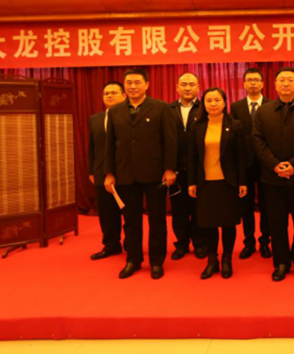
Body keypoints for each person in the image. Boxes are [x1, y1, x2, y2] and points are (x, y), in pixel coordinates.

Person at [104, 68, 177, 279]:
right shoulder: (115, 111)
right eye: (129, 83)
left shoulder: (161, 108)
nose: (133, 86)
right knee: (130, 220)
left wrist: (169, 168)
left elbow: (170, 141)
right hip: (125, 173)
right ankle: (133, 259)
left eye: (137, 82)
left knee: (157, 219)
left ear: (147, 84)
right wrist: (109, 173)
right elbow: (110, 145)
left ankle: (156, 261)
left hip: (155, 174)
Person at [253, 67, 294, 282]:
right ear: (274, 85)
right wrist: (274, 165)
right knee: (276, 223)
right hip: (272, 179)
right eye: (281, 80)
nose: (285, 83)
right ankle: (281, 262)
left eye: (290, 80)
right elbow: (258, 140)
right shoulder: (263, 111)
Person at [188, 88, 247, 279]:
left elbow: (241, 156)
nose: (213, 104)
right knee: (208, 224)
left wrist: (242, 182)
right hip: (205, 182)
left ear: (224, 102)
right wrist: (191, 182)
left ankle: (227, 259)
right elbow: (192, 156)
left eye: (217, 100)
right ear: (203, 104)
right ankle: (212, 260)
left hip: (228, 182)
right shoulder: (197, 125)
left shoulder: (235, 125)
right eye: (208, 101)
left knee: (228, 224)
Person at [230, 68, 272, 260]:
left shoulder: (271, 105)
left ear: (262, 83)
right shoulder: (236, 107)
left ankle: (265, 242)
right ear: (244, 84)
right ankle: (248, 242)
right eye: (249, 80)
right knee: (245, 205)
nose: (253, 83)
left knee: (267, 204)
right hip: (244, 163)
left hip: (266, 163)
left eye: (256, 80)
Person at [170, 72, 207, 260]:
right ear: (177, 87)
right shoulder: (168, 109)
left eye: (192, 84)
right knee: (179, 210)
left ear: (198, 87)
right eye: (183, 84)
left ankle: (200, 244)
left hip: (200, 169)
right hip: (176, 170)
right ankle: (182, 243)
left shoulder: (205, 108)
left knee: (199, 209)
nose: (187, 88)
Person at [88, 81, 125, 261]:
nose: (109, 96)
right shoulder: (95, 119)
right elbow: (92, 147)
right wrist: (91, 170)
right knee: (106, 212)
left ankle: (132, 244)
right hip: (101, 172)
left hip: (125, 171)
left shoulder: (130, 117)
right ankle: (111, 245)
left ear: (124, 96)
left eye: (114, 92)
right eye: (106, 93)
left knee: (129, 212)